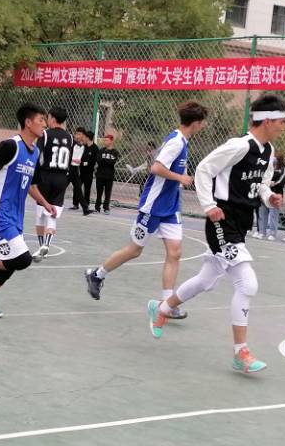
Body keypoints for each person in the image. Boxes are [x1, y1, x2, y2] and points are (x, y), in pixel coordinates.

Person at [147, 95, 285, 373]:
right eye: (282, 121)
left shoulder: (268, 151)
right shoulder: (239, 146)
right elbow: (204, 169)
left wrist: (269, 196)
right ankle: (241, 353)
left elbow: (261, 183)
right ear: (267, 121)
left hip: (241, 223)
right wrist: (209, 205)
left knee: (206, 280)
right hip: (222, 220)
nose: (284, 126)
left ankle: (162, 308)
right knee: (247, 284)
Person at [84, 101, 209, 318]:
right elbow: (156, 168)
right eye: (203, 122)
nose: (204, 125)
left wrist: (179, 178)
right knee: (134, 250)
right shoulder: (176, 142)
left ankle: (167, 305)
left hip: (170, 207)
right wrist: (180, 177)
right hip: (153, 206)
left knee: (175, 252)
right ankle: (97, 274)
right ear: (196, 123)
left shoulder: (182, 140)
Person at [0, 103, 56, 318]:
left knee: (12, 262)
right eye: (41, 120)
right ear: (28, 122)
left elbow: (31, 185)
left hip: (15, 217)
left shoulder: (35, 152)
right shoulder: (11, 146)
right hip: (0, 215)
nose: (44, 125)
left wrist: (45, 203)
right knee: (22, 259)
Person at [32, 106, 73, 262]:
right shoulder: (70, 137)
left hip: (45, 176)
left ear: (53, 119)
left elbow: (37, 155)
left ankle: (42, 246)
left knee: (40, 213)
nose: (46, 120)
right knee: (53, 213)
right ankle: (47, 245)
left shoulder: (45, 134)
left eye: (48, 117)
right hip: (62, 177)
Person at [254, 153, 285, 240]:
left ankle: (272, 234)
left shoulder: (282, 170)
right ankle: (262, 232)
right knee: (262, 213)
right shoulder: (267, 168)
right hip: (264, 194)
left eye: (275, 158)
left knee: (273, 215)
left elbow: (280, 182)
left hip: (275, 194)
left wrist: (271, 183)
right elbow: (261, 179)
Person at [94, 134, 119, 213]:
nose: (105, 142)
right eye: (104, 140)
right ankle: (97, 207)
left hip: (109, 175)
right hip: (100, 174)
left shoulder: (115, 152)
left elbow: (113, 162)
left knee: (107, 193)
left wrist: (105, 160)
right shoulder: (101, 150)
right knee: (99, 192)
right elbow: (99, 161)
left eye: (107, 140)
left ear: (111, 141)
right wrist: (107, 161)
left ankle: (106, 207)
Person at [78, 128, 98, 214]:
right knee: (78, 187)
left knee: (87, 189)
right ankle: (75, 203)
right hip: (81, 171)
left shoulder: (95, 148)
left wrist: (83, 163)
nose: (83, 138)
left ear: (88, 138)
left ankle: (86, 204)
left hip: (89, 172)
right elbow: (80, 157)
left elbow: (92, 162)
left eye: (85, 137)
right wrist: (82, 163)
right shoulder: (84, 147)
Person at [69, 128, 86, 211]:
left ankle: (85, 208)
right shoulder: (71, 144)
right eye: (76, 134)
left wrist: (81, 162)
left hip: (76, 170)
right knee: (61, 187)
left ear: (83, 136)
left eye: (79, 134)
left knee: (78, 189)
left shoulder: (85, 147)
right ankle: (52, 202)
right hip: (69, 168)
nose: (77, 136)